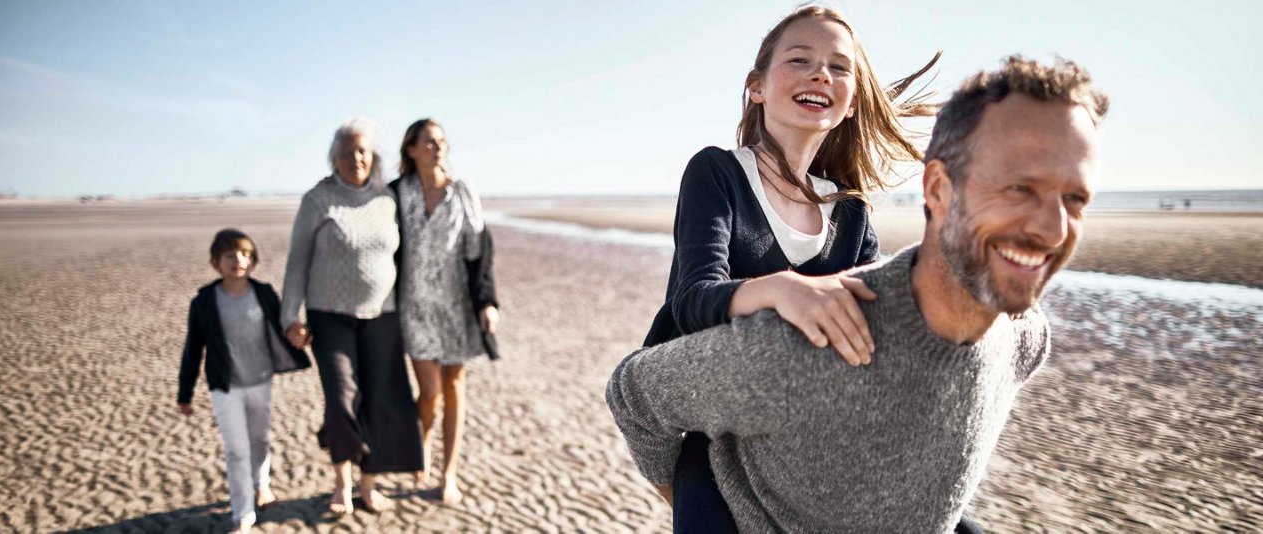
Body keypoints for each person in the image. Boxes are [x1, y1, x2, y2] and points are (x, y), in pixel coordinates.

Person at [607, 55, 1108, 531]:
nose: (1051, 227)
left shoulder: (1024, 338)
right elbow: (637, 388)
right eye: (1019, 188)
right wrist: (685, 502)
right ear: (937, 190)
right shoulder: (799, 347)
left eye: (1075, 198)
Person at [641, 6, 937, 530]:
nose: (821, 73)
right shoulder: (718, 172)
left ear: (849, 105)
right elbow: (691, 302)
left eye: (839, 67)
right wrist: (783, 289)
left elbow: (880, 327)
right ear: (756, 87)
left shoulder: (850, 210)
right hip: (716, 435)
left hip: (816, 436)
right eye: (799, 59)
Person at [281, 118, 422, 514]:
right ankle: (341, 483)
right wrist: (291, 316)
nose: (356, 158)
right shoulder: (317, 199)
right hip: (330, 316)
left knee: (379, 399)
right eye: (348, 152)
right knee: (342, 398)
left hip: (383, 316)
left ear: (372, 156)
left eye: (362, 151)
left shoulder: (386, 198)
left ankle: (367, 484)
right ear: (335, 158)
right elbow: (297, 262)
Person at [390, 118, 500, 505]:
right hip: (414, 305)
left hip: (456, 305)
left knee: (453, 387)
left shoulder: (462, 192)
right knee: (429, 392)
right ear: (411, 149)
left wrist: (487, 302)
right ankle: (420, 443)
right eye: (428, 141)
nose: (436, 147)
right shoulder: (397, 193)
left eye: (441, 141)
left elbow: (480, 251)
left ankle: (447, 473)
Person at [176, 229, 311, 533]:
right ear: (216, 263)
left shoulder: (263, 293)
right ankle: (243, 513)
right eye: (230, 255)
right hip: (225, 386)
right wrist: (184, 393)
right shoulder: (204, 301)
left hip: (261, 381)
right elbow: (193, 348)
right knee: (237, 449)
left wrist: (303, 336)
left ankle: (261, 485)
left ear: (253, 261)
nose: (239, 260)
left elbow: (283, 327)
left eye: (246, 255)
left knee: (260, 439)